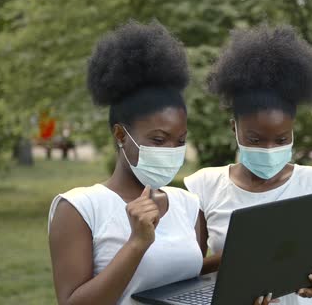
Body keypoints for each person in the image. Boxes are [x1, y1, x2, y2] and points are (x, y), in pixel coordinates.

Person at [184, 25, 312, 305]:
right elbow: (189, 271)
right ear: (235, 129)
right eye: (255, 139)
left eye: (281, 139)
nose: (269, 150)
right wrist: (235, 258)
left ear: (293, 130)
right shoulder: (205, 185)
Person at [48, 21, 203, 305]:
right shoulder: (80, 208)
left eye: (180, 141)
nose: (171, 150)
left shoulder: (188, 205)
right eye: (158, 140)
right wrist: (137, 243)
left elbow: (192, 288)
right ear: (120, 134)